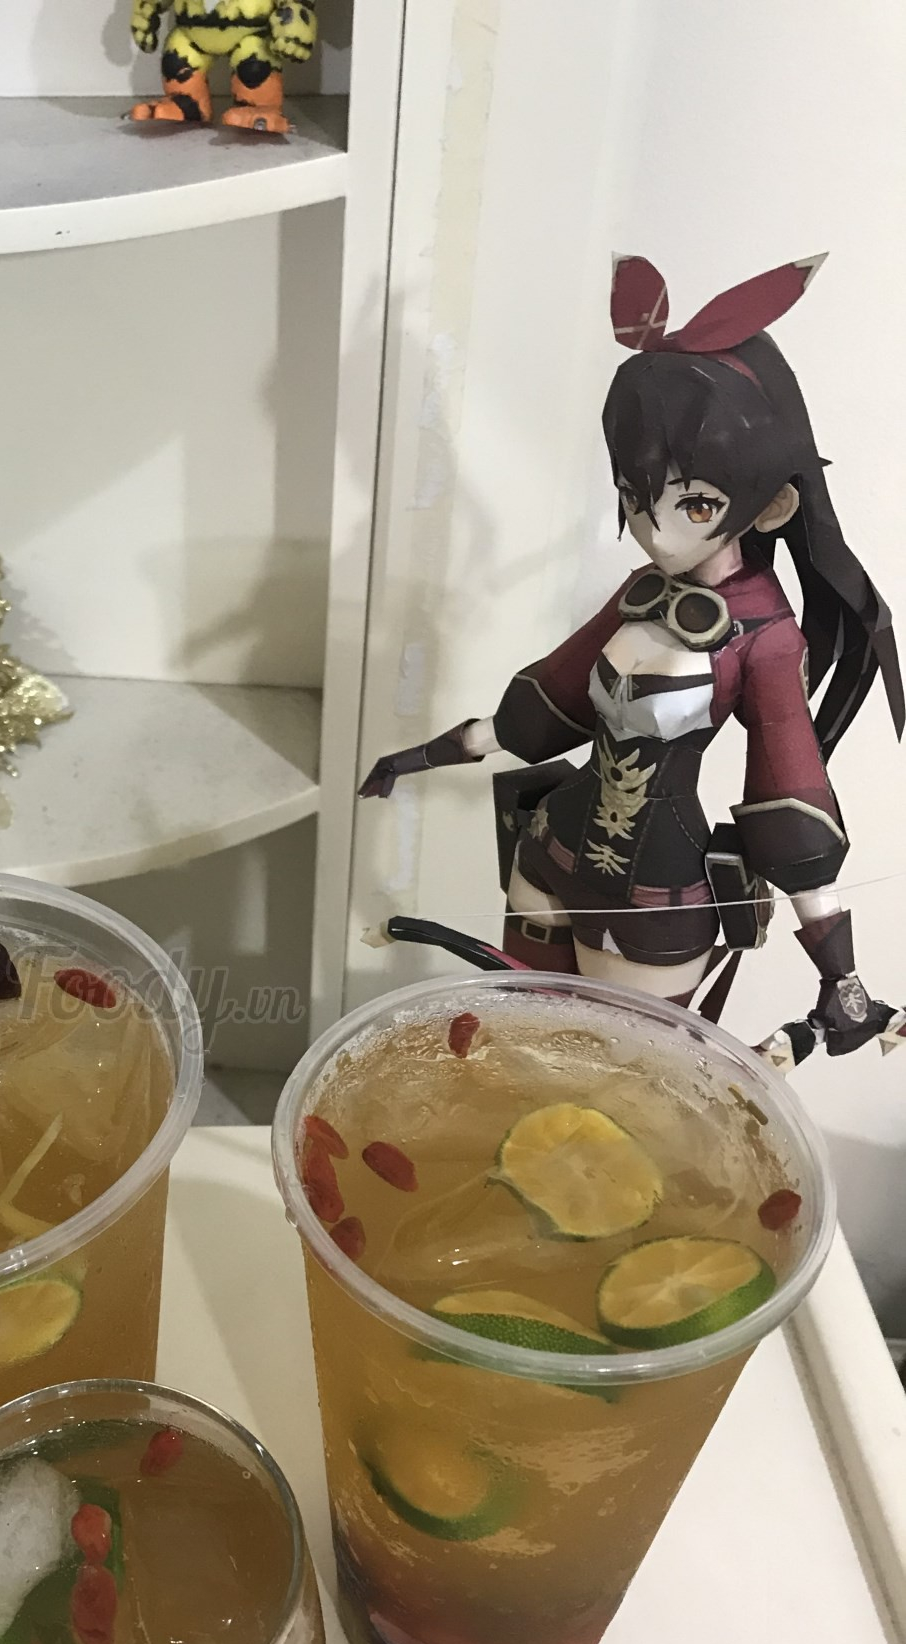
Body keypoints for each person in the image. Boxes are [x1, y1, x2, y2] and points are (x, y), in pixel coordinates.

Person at [361, 257, 904, 1059]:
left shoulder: (766, 637)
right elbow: (543, 706)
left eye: (695, 504)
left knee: (619, 1079)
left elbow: (789, 794)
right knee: (521, 1048)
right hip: (547, 855)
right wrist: (414, 759)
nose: (656, 529)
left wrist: (841, 979)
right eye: (635, 498)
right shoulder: (641, 590)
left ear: (773, 503)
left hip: (658, 903)